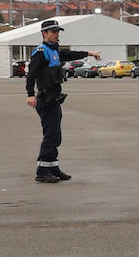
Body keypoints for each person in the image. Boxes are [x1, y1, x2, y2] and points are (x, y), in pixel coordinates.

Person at [24, 19, 99, 182]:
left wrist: (89, 53)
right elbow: (31, 74)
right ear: (44, 34)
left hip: (54, 99)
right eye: (53, 31)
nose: (57, 34)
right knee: (51, 135)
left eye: (58, 31)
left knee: (56, 135)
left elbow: (71, 54)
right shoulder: (41, 52)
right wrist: (30, 94)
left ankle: (53, 167)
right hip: (45, 99)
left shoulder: (54, 51)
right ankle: (42, 172)